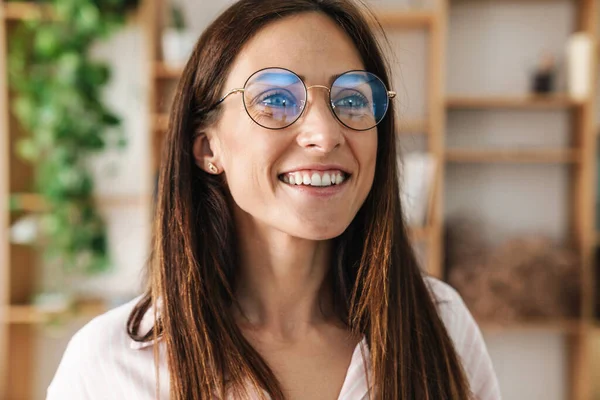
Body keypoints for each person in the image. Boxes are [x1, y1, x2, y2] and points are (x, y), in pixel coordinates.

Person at [47, 0, 501, 399]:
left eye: (351, 100)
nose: (325, 135)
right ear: (208, 147)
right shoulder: (108, 365)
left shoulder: (440, 324)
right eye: (276, 99)